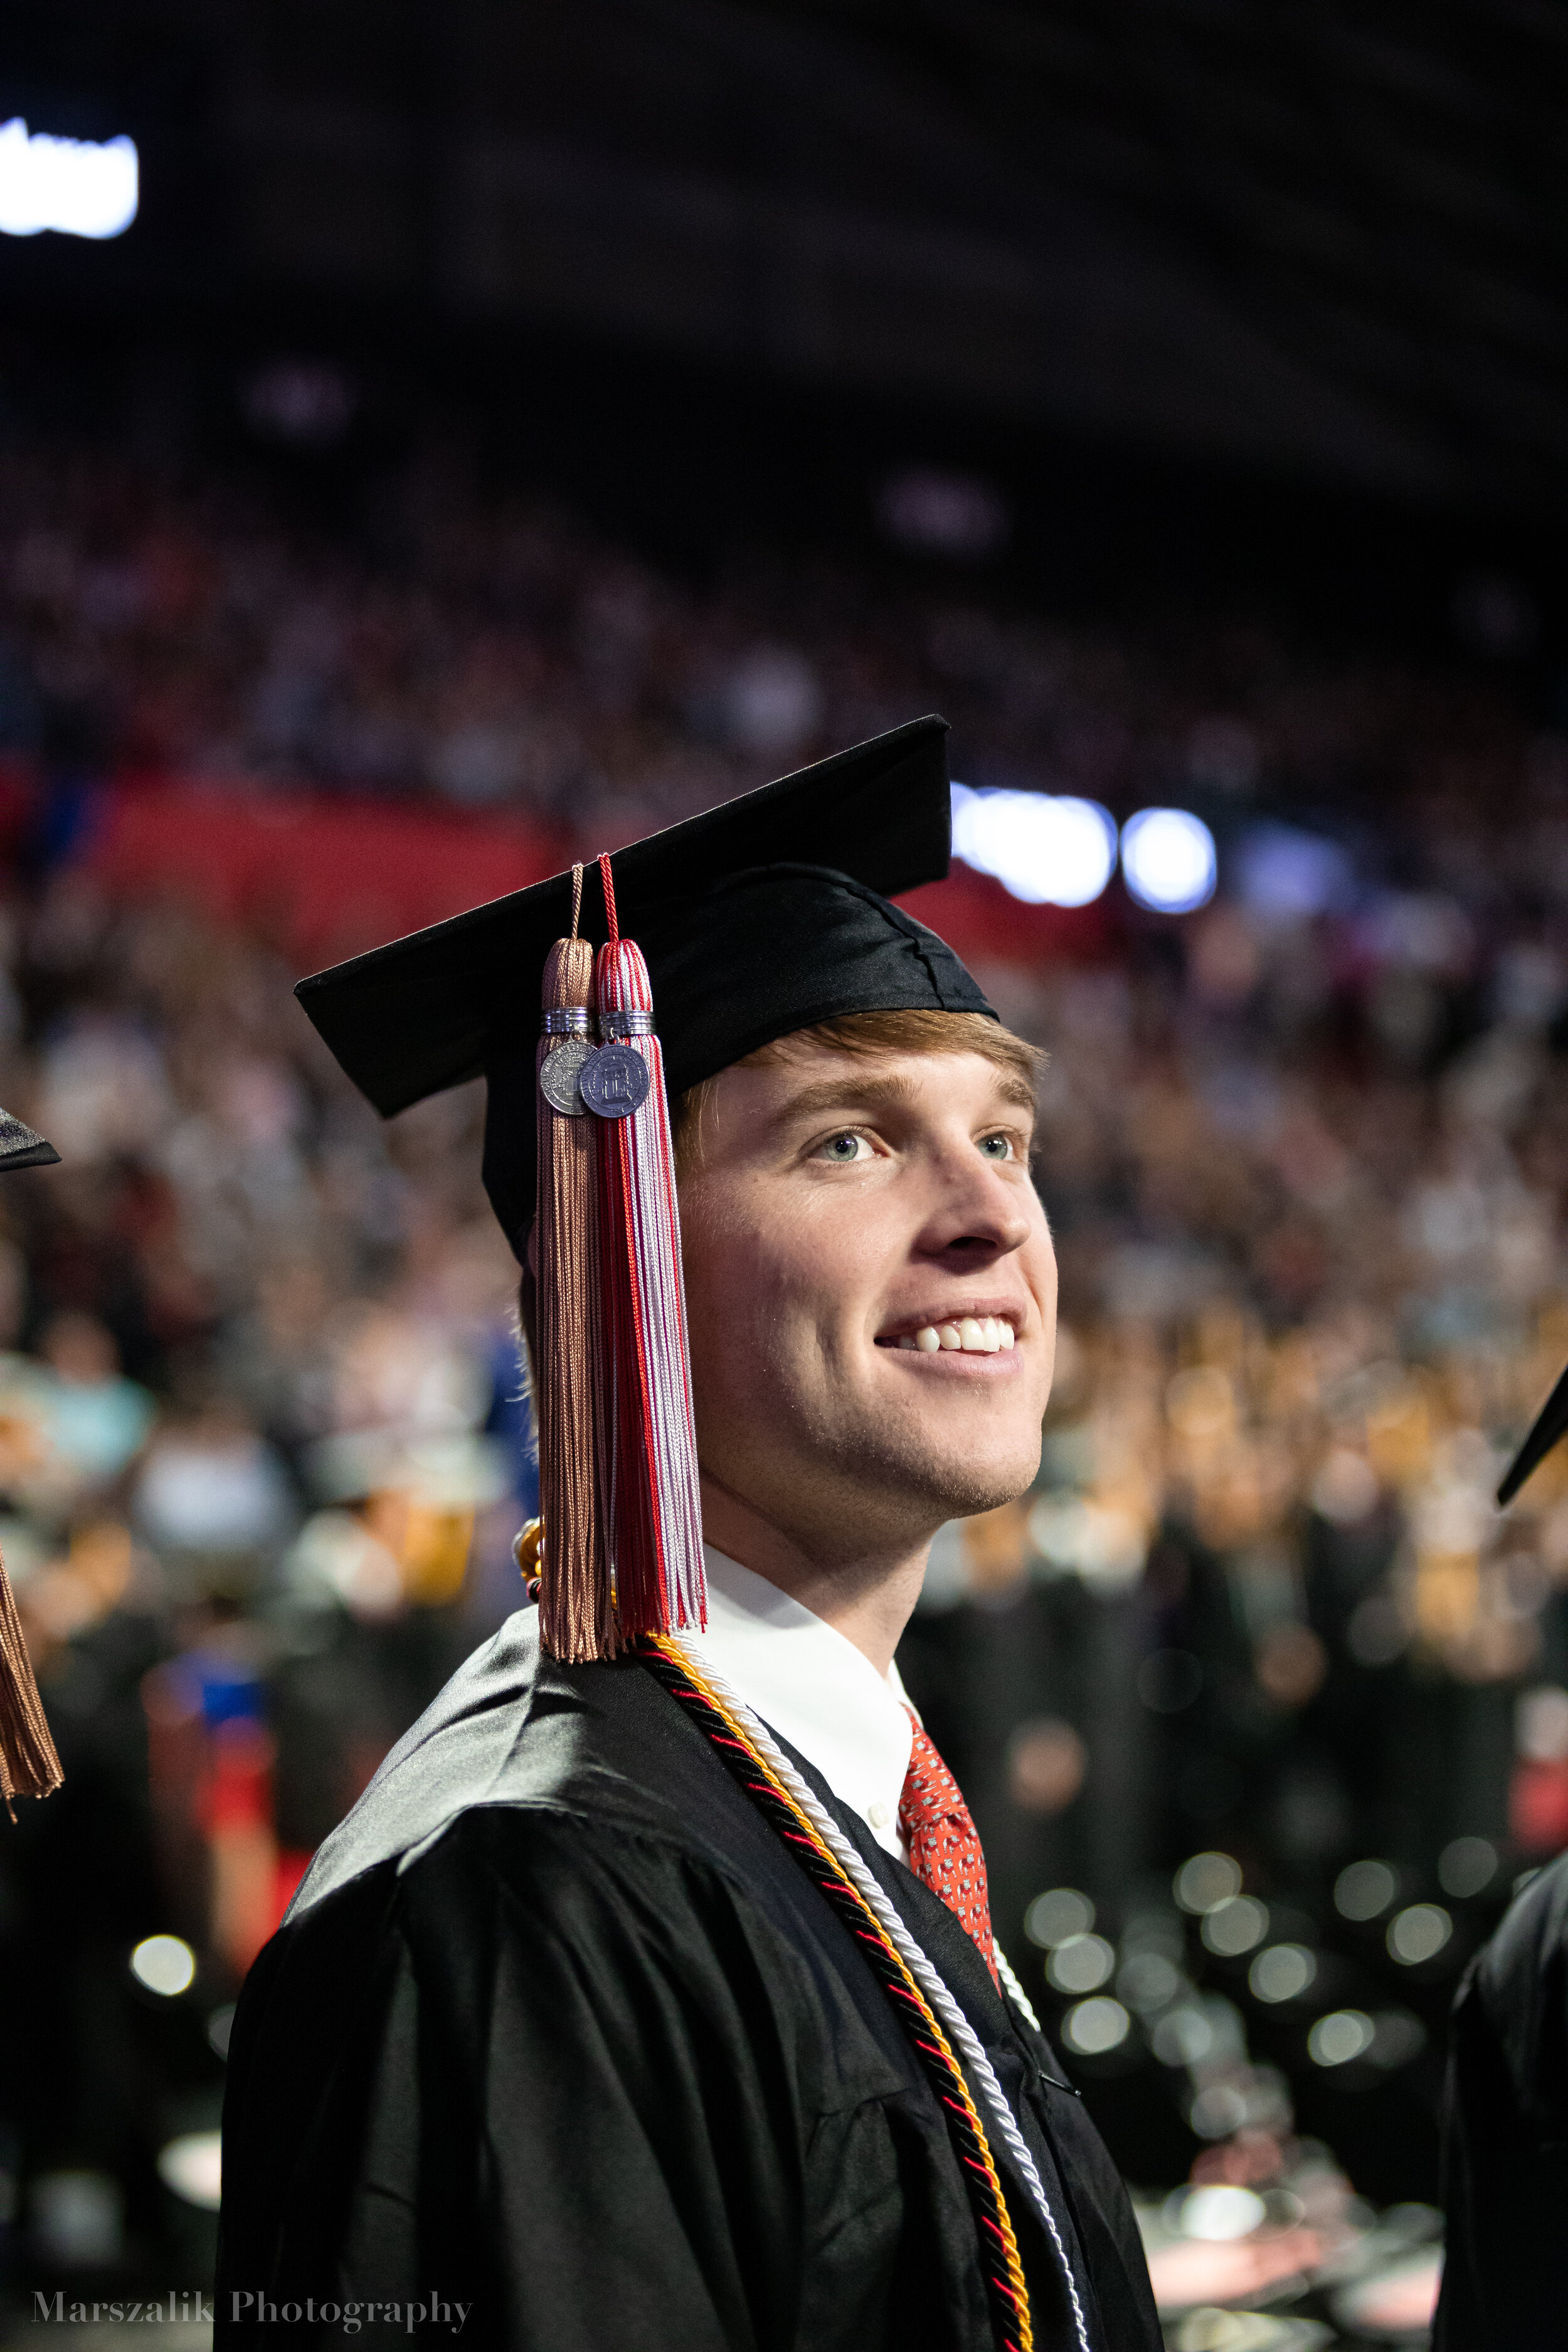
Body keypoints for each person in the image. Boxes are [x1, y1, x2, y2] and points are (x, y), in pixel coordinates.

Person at [216, 719, 1160, 2351]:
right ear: (616, 1249)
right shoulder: (536, 1896)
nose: (991, 1213)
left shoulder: (799, 1796)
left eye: (1000, 1138)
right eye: (849, 1140)